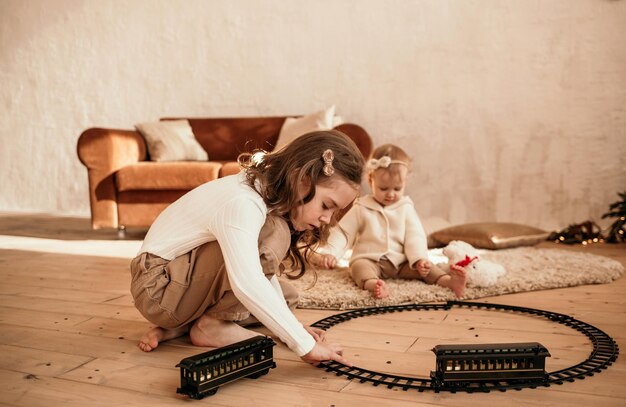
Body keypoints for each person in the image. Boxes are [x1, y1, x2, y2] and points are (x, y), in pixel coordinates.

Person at [129, 130, 364, 367]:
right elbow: (248, 280)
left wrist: (292, 328)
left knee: (285, 298)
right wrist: (304, 345)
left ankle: (186, 326)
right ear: (300, 179)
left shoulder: (261, 194)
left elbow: (258, 276)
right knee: (275, 235)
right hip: (158, 287)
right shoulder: (244, 203)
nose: (327, 219)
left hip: (180, 285)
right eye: (326, 205)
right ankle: (211, 327)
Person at [310, 143, 467, 299]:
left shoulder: (406, 208)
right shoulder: (361, 207)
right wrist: (331, 253)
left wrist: (419, 259)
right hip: (370, 258)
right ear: (371, 180)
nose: (390, 194)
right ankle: (373, 283)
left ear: (405, 182)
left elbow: (415, 236)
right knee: (358, 267)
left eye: (397, 189)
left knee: (426, 268)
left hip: (402, 261)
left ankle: (447, 281)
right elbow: (343, 232)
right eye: (384, 189)